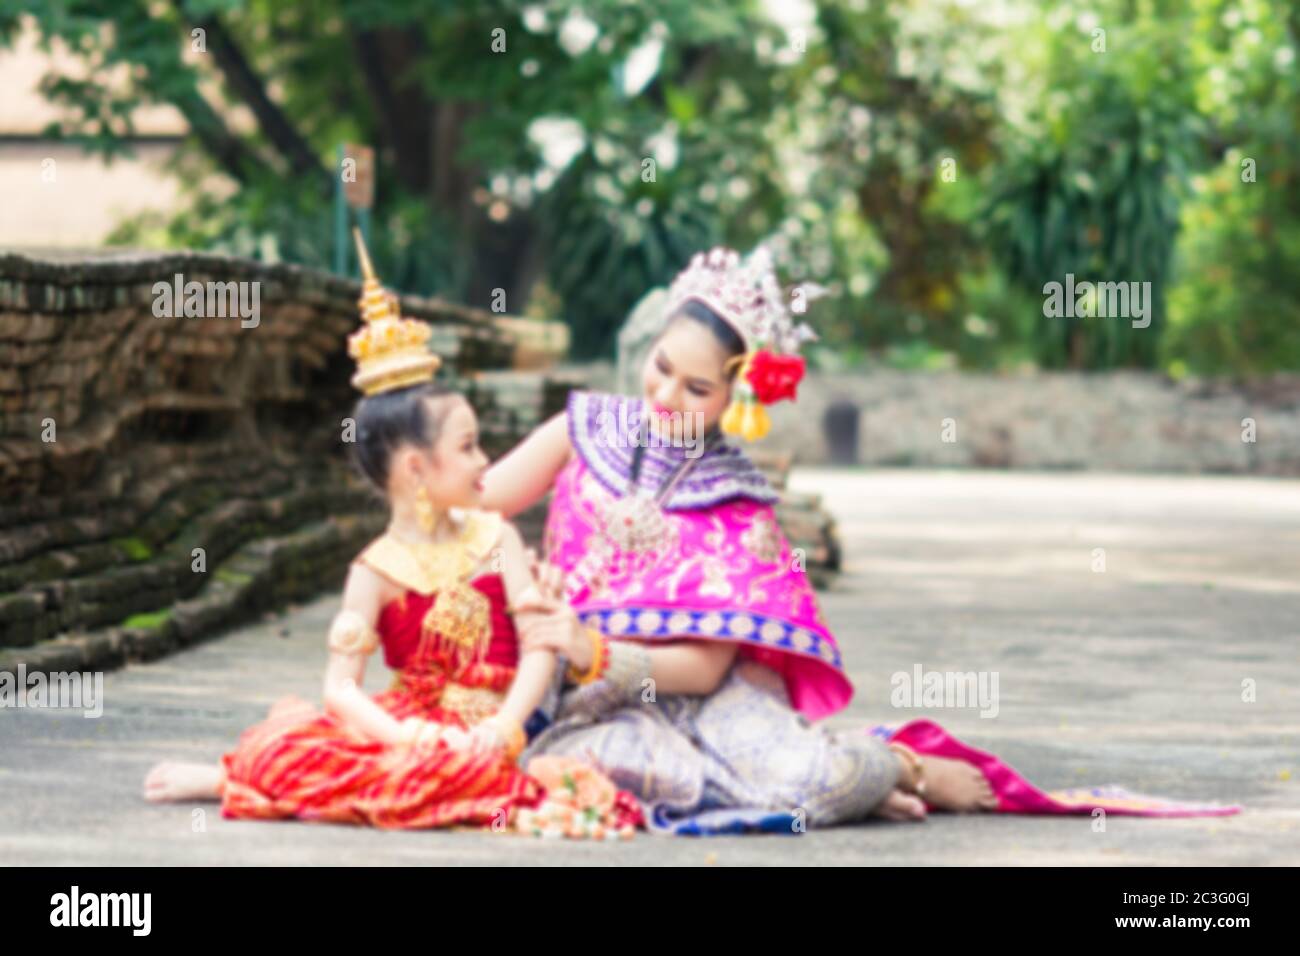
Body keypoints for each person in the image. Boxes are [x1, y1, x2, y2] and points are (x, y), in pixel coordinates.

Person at [486, 246, 1240, 834]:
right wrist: (528, 593)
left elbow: (707, 668)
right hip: (578, 693)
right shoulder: (580, 428)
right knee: (567, 771)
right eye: (661, 368)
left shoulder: (737, 503)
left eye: (697, 388)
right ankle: (859, 778)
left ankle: (899, 767)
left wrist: (593, 647)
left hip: (689, 696)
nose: (665, 396)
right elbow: (476, 507)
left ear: (736, 397)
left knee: (807, 787)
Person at [144, 232, 637, 836]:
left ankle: (282, 784)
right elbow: (341, 690)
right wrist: (411, 735)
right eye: (467, 447)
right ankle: (237, 778)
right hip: (410, 726)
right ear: (415, 470)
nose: (486, 461)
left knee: (473, 784)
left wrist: (504, 725)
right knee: (296, 744)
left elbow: (539, 648)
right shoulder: (373, 572)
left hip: (494, 729)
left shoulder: (496, 537)